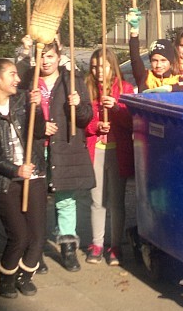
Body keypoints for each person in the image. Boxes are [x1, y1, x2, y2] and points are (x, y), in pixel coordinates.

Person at [0, 59, 44, 297]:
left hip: (34, 175)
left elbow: (39, 131)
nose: (18, 79)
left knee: (37, 235)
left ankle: (25, 275)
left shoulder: (23, 100)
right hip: (5, 181)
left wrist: (38, 108)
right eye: (12, 74)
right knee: (19, 236)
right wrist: (14, 170)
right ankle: (6, 277)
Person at [20, 41, 94, 272]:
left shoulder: (72, 80)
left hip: (64, 146)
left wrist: (78, 105)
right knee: (36, 200)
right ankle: (36, 250)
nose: (45, 61)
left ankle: (68, 248)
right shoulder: (28, 79)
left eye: (50, 56)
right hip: (36, 147)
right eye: (41, 56)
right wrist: (37, 119)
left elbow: (85, 118)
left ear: (59, 57)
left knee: (65, 199)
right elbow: (18, 115)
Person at [85, 48, 135, 265]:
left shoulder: (125, 88)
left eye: (103, 66)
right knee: (97, 200)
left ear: (112, 66)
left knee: (116, 201)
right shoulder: (87, 88)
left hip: (117, 151)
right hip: (96, 150)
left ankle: (115, 245)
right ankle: (97, 243)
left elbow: (131, 121)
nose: (98, 71)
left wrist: (115, 108)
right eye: (94, 66)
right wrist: (96, 125)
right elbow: (82, 120)